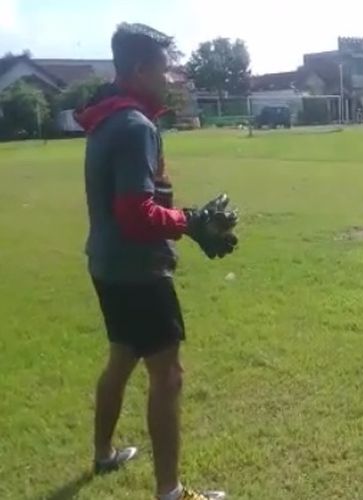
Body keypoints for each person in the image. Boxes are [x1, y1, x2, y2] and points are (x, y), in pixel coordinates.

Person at [76, 23, 238, 500]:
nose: (169, 78)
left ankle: (104, 453)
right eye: (164, 69)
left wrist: (183, 222)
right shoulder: (134, 126)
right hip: (137, 272)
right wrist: (189, 222)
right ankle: (170, 491)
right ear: (141, 70)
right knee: (168, 375)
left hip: (108, 265)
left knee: (122, 358)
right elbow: (135, 213)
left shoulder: (109, 117)